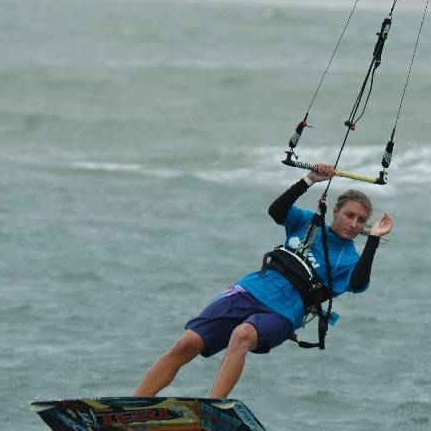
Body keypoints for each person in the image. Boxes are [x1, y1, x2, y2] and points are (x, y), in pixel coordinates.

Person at [134, 163, 393, 399]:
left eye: (360, 221)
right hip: (249, 290)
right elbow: (276, 211)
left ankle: (213, 406)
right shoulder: (306, 223)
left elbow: (358, 284)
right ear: (335, 211)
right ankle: (133, 405)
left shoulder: (348, 259)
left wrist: (373, 240)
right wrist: (309, 179)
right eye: (349, 215)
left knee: (242, 334)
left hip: (283, 311)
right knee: (185, 344)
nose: (353, 224)